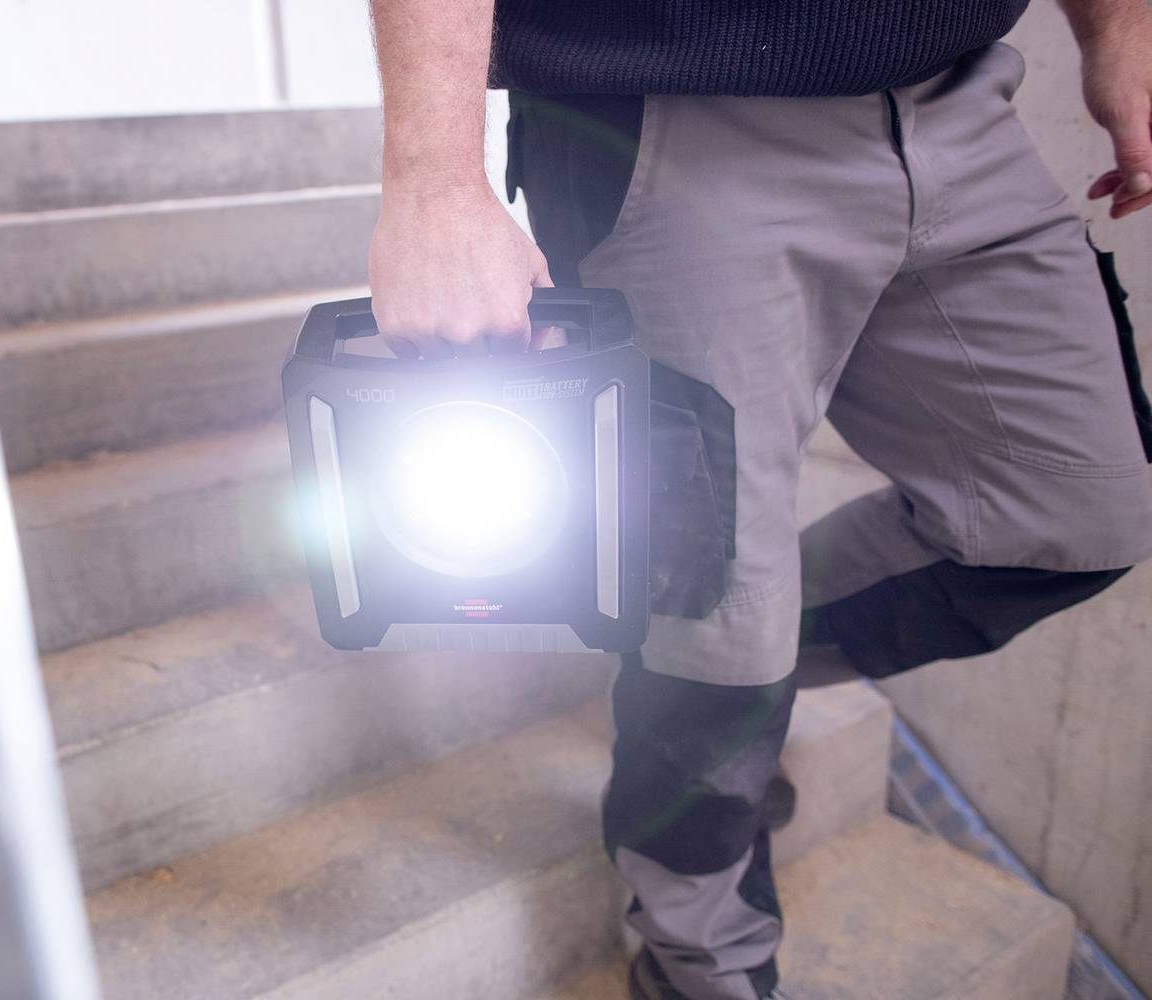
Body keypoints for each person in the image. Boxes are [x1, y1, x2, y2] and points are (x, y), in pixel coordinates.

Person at [365, 1, 1152, 997]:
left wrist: (1119, 33)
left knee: (1074, 518)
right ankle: (700, 963)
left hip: (961, 98)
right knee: (711, 608)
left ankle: (709, 680)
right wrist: (433, 173)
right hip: (667, 110)